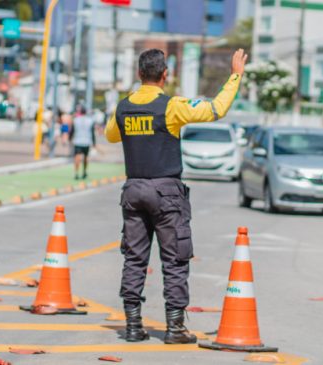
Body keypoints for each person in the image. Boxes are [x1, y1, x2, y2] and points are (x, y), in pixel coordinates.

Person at [105, 48, 248, 344]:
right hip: (166, 191)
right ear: (165, 75)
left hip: (133, 190)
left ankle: (132, 325)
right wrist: (235, 76)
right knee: (174, 259)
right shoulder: (171, 106)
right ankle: (175, 327)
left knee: (134, 258)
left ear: (138, 74)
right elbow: (216, 109)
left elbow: (111, 135)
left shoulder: (123, 107)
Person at [70, 104, 95, 180]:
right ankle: (84, 172)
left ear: (80, 112)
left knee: (77, 157)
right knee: (86, 157)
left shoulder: (75, 120)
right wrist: (94, 143)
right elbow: (92, 132)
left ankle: (76, 173)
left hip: (77, 140)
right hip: (87, 141)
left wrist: (70, 138)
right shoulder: (90, 120)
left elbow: (72, 131)